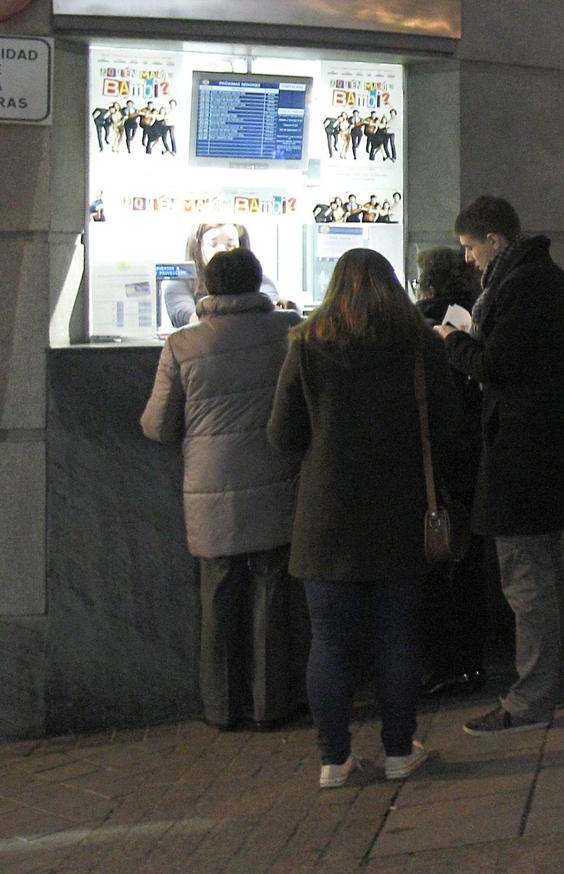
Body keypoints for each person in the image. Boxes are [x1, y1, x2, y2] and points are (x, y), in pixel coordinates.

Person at [268, 249, 468, 789]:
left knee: (329, 642)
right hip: (401, 513)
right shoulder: (420, 345)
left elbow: (282, 434)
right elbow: (449, 428)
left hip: (326, 519)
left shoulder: (307, 347)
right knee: (397, 638)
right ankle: (400, 751)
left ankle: (334, 760)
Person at [437, 196, 564, 736]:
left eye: (471, 248)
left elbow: (498, 366)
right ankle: (548, 683)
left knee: (528, 582)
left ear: (495, 241)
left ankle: (531, 697)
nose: (469, 260)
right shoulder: (540, 279)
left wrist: (453, 340)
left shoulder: (525, 286)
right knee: (547, 574)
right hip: (539, 451)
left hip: (522, 456)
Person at [140, 246, 302, 732]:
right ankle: (271, 704)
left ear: (206, 287)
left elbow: (158, 426)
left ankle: (220, 708)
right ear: (258, 284)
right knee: (273, 592)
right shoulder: (289, 332)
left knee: (218, 596)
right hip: (277, 478)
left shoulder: (183, 345)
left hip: (211, 488)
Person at [412, 247, 487, 698]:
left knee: (432, 565)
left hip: (431, 464)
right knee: (468, 562)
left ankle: (438, 664)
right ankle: (469, 661)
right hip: (471, 457)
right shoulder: (476, 318)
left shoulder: (417, 329)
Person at [164, 222, 287, 328]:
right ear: (198, 248)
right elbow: (188, 317)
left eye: (230, 245)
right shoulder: (180, 284)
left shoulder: (262, 281)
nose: (222, 250)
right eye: (214, 244)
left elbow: (275, 312)